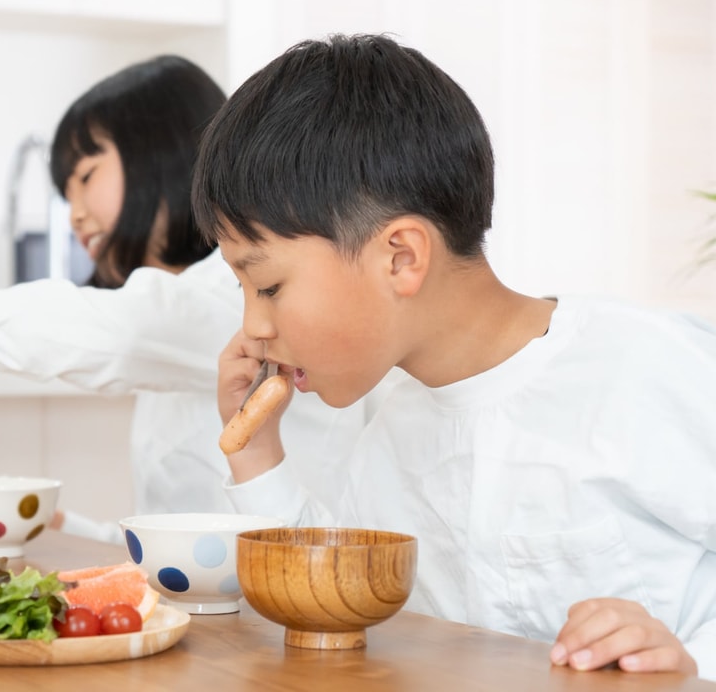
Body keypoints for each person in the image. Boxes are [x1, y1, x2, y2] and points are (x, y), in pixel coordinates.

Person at [191, 33, 716, 680]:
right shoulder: (390, 436)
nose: (253, 328)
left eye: (268, 286)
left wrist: (692, 657)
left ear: (402, 257)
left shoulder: (643, 370)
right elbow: (329, 597)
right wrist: (255, 452)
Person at [0, 54, 377, 544]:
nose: (74, 211)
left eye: (85, 177)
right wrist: (44, 521)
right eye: (65, 191)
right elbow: (173, 541)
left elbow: (111, 330)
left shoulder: (233, 301)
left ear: (162, 150)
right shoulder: (181, 320)